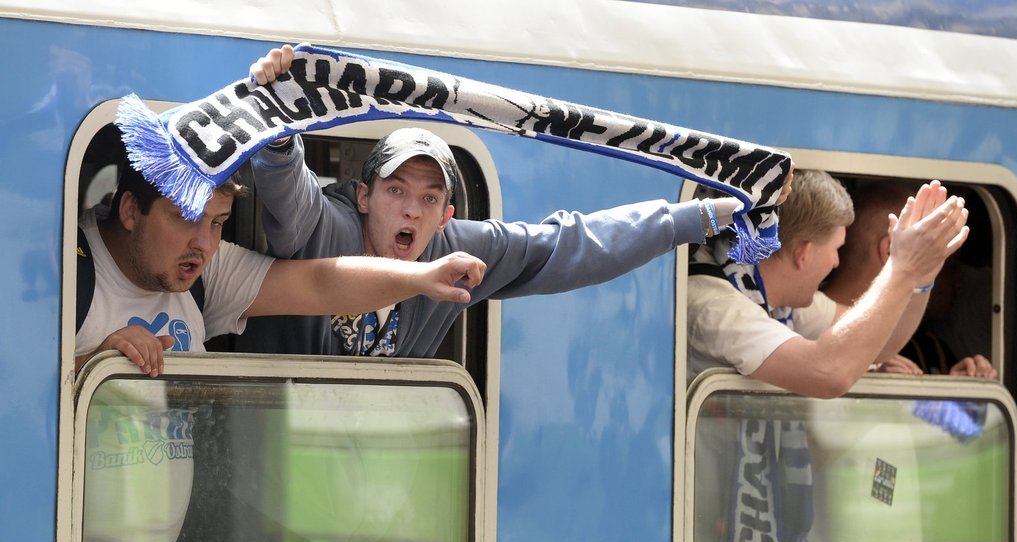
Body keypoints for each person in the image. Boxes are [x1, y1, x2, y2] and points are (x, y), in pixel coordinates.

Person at [235, 45, 771, 359]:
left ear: (447, 216)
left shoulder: (456, 252)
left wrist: (710, 213)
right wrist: (280, 124)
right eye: (396, 191)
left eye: (429, 198)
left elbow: (573, 244)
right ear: (363, 197)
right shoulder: (323, 227)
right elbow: (287, 184)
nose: (411, 211)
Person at [74, 155, 487, 376]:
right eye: (185, 218)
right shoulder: (67, 270)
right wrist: (98, 361)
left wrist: (422, 276)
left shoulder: (208, 272)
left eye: (218, 224)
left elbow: (320, 284)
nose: (203, 245)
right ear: (131, 211)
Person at [686, 169, 969, 398]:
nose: (837, 263)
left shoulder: (781, 304)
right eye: (836, 249)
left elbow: (883, 343)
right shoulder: (715, 306)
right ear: (803, 253)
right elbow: (829, 373)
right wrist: (902, 267)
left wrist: (922, 274)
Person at [821, 179, 996, 378]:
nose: (936, 260)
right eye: (926, 246)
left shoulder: (928, 348)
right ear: (888, 250)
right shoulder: (800, 316)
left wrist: (949, 391)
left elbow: (881, 346)